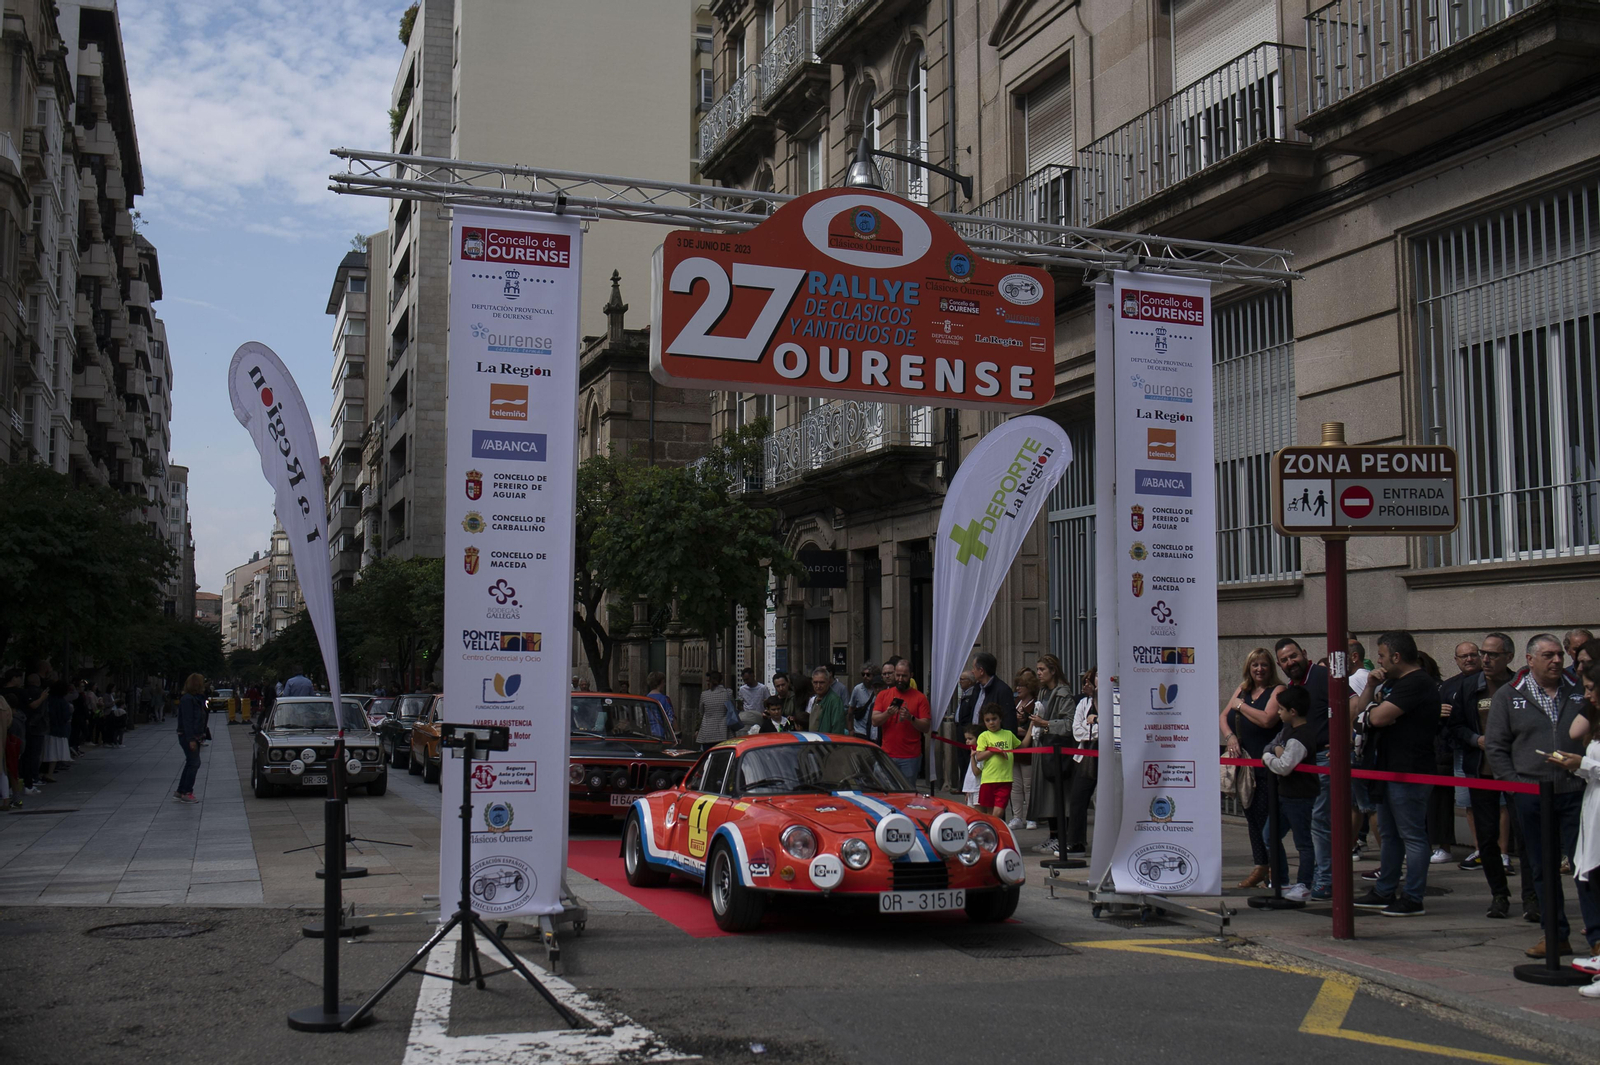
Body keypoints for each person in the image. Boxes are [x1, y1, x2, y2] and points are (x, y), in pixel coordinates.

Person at [1487, 633, 1596, 957]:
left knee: (1586, 865)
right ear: (1530, 659)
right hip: (1532, 794)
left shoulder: (1579, 689)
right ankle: (1554, 934)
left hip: (1576, 790)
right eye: (1548, 655)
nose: (1557, 661)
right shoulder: (1509, 695)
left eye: (1560, 655)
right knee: (1541, 867)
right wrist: (1515, 785)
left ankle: (1597, 935)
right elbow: (1496, 745)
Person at [1351, 631, 1439, 917]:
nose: (1378, 661)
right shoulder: (1391, 683)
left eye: (1381, 656)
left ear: (1396, 657)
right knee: (1389, 834)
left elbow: (1376, 718)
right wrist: (1371, 687)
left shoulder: (1418, 683)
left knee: (1412, 834)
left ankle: (1413, 897)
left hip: (1410, 770)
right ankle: (1384, 889)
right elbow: (1359, 712)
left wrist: (1375, 709)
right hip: (1385, 768)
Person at [1447, 631, 1527, 919]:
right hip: (1482, 771)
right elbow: (1454, 726)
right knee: (1487, 837)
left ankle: (1532, 897)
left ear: (1508, 657)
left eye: (1493, 654)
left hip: (1518, 774)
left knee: (1525, 836)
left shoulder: (1522, 685)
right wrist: (1474, 739)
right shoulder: (1470, 687)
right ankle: (1499, 895)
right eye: (1484, 653)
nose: (1485, 659)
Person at [1547, 662, 1600, 989]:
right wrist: (1579, 766)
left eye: (1592, 688)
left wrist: (1585, 763)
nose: (1587, 695)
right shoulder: (1595, 719)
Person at [1272, 639, 1333, 899]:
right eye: (1284, 660)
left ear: (1305, 654)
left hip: (1322, 759)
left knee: (1318, 824)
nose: (1290, 662)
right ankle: (1304, 880)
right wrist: (1273, 749)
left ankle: (1323, 881)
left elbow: (1350, 705)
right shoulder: (1293, 687)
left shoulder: (1322, 675)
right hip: (1301, 765)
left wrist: (1343, 741)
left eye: (1293, 656)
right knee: (1297, 829)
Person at [1222, 648, 1286, 889]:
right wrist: (1230, 737)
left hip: (1266, 766)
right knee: (1252, 817)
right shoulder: (1242, 689)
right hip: (1245, 767)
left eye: (1264, 665)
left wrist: (1240, 706)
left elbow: (1267, 719)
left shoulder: (1277, 691)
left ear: (1271, 667)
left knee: (1265, 820)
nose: (1259, 669)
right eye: (1255, 665)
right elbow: (1222, 716)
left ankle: (1270, 868)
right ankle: (1262, 865)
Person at [1262, 685, 1319, 902]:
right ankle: (1281, 881)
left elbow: (1284, 765)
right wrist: (1275, 752)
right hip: (1285, 795)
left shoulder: (1301, 736)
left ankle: (1304, 884)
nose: (1278, 712)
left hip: (1300, 796)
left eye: (1281, 709)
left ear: (1292, 712)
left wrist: (1269, 758)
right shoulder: (1287, 731)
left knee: (1303, 842)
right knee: (1269, 836)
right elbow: (1273, 747)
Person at [1026, 654, 1076, 855]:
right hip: (1044, 747)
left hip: (1057, 750)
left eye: (1042, 669)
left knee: (1059, 796)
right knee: (1047, 795)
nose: (1038, 673)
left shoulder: (1063, 693)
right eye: (1037, 669)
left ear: (1053, 670)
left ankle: (1062, 837)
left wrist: (1045, 724)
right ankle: (1054, 835)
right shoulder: (1043, 692)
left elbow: (1069, 724)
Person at [872, 658, 931, 785]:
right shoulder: (883, 695)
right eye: (897, 675)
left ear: (911, 676)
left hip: (910, 757)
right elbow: (875, 721)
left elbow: (926, 727)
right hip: (887, 754)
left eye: (904, 676)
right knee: (885, 791)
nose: (899, 679)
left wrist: (911, 718)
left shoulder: (920, 698)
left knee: (907, 794)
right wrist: (887, 713)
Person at [1065, 669, 1100, 855]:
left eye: (1091, 680)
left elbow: (1111, 728)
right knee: (1078, 798)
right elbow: (1078, 732)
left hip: (1107, 755)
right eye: (1085, 681)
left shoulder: (1111, 702)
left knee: (1102, 800)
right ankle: (1076, 842)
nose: (1087, 684)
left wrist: (1095, 722)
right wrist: (1094, 727)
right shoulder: (1082, 704)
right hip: (1085, 755)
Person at [1006, 669, 1039, 830]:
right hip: (1014, 748)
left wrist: (1018, 727)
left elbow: (1033, 730)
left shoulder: (1035, 704)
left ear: (1030, 687)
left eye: (1022, 686)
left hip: (1029, 749)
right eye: (1017, 685)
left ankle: (1031, 816)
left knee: (1028, 785)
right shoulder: (1015, 703)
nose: (1018, 689)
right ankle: (1017, 816)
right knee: (1015, 785)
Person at [973, 707, 1018, 817]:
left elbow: (1023, 746)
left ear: (1000, 719)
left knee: (998, 812)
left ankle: (994, 830)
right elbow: (979, 756)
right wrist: (994, 751)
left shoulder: (1008, 734)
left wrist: (1031, 728)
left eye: (994, 719)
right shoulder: (984, 736)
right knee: (989, 813)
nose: (991, 722)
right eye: (987, 720)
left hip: (1005, 779)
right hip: (988, 780)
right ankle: (993, 832)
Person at [175, 673, 209, 804]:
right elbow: (188, 720)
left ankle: (181, 790)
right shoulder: (188, 699)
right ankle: (186, 792)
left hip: (194, 735)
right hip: (189, 735)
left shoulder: (196, 698)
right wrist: (191, 739)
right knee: (194, 763)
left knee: (191, 762)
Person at [944, 671, 979, 790]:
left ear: (970, 681)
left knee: (967, 757)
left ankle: (966, 785)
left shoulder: (973, 694)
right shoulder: (964, 694)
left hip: (966, 729)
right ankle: (962, 783)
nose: (960, 682)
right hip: (959, 729)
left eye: (962, 679)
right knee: (961, 758)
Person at [695, 669, 733, 750]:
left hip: (707, 732)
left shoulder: (704, 695)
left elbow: (701, 713)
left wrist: (697, 729)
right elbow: (732, 709)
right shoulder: (728, 693)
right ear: (721, 680)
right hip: (723, 732)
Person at [805, 667, 849, 735]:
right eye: (815, 682)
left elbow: (838, 729)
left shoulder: (835, 701)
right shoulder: (815, 699)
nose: (818, 686)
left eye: (822, 682)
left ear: (828, 682)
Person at [44, 679, 73, 775]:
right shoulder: (62, 702)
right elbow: (65, 716)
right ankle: (49, 773)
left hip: (47, 728)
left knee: (43, 751)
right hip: (58, 729)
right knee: (54, 753)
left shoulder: (49, 699)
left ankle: (37, 773)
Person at [849, 665, 881, 745]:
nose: (865, 677)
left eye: (868, 674)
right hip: (860, 730)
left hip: (873, 732)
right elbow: (851, 709)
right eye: (863, 674)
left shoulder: (879, 690)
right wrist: (850, 729)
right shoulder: (857, 689)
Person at [645, 671, 675, 740]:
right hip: (661, 734)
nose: (664, 684)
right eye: (664, 682)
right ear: (660, 682)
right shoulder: (665, 699)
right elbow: (671, 718)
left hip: (647, 734)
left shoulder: (645, 699)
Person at [961, 723, 983, 807]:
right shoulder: (972, 752)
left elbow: (976, 772)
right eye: (966, 739)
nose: (967, 741)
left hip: (978, 789)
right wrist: (968, 790)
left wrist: (973, 757)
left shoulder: (981, 754)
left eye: (970, 739)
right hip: (971, 790)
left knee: (978, 815)